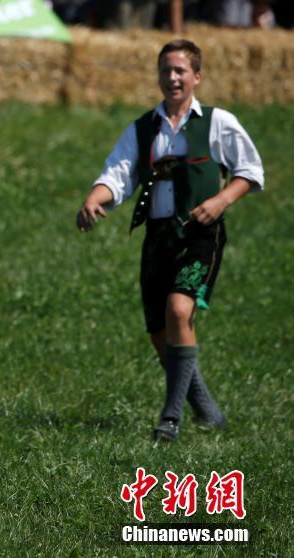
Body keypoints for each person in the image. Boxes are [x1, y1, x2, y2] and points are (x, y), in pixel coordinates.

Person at [76, 39, 264, 442]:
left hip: (200, 233)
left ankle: (171, 417)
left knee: (179, 312)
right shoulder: (144, 128)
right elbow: (119, 174)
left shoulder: (217, 122)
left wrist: (221, 200)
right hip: (158, 235)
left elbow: (250, 170)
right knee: (159, 331)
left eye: (180, 70)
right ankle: (206, 408)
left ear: (197, 76)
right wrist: (95, 197)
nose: (173, 77)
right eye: (166, 70)